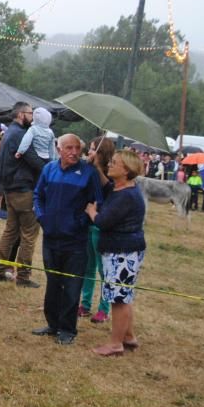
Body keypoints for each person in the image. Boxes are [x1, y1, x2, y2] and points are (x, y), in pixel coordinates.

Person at [31, 134, 103, 345]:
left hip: (75, 240)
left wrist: (80, 222)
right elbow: (38, 195)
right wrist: (41, 217)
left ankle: (67, 329)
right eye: (69, 148)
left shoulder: (88, 173)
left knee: (72, 285)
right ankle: (53, 324)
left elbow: (96, 201)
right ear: (59, 148)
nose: (73, 152)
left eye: (77, 148)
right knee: (53, 283)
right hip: (50, 237)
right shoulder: (49, 169)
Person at [84, 149, 147, 356]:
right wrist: (96, 167)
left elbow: (103, 222)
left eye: (114, 163)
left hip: (122, 252)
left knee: (118, 299)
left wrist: (92, 212)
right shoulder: (120, 188)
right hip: (122, 249)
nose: (109, 165)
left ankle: (115, 344)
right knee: (123, 295)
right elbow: (106, 185)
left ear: (126, 170)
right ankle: (128, 337)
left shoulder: (126, 196)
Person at [0, 102, 46, 288]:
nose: (33, 117)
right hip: (23, 190)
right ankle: (23, 276)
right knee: (29, 234)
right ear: (21, 114)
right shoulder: (21, 135)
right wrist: (51, 167)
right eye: (31, 113)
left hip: (11, 189)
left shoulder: (9, 132)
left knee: (11, 231)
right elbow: (34, 160)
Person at [79, 136, 114, 324]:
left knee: (103, 270)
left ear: (102, 153)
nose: (90, 152)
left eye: (93, 149)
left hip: (102, 226)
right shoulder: (88, 169)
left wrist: (97, 168)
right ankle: (84, 304)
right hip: (87, 223)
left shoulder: (112, 173)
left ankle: (104, 308)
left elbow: (107, 188)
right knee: (88, 267)